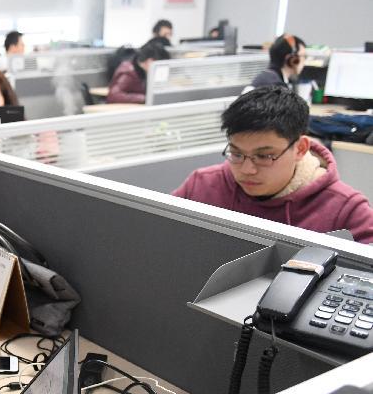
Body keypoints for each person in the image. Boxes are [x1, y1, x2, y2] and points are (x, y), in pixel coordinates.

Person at [173, 87, 373, 244]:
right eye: (237, 154)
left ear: (300, 149)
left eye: (264, 156)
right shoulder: (201, 186)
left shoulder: (346, 210)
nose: (247, 170)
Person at [106, 42, 170, 104]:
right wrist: (145, 98)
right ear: (150, 62)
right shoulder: (128, 72)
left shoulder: (144, 70)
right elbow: (113, 95)